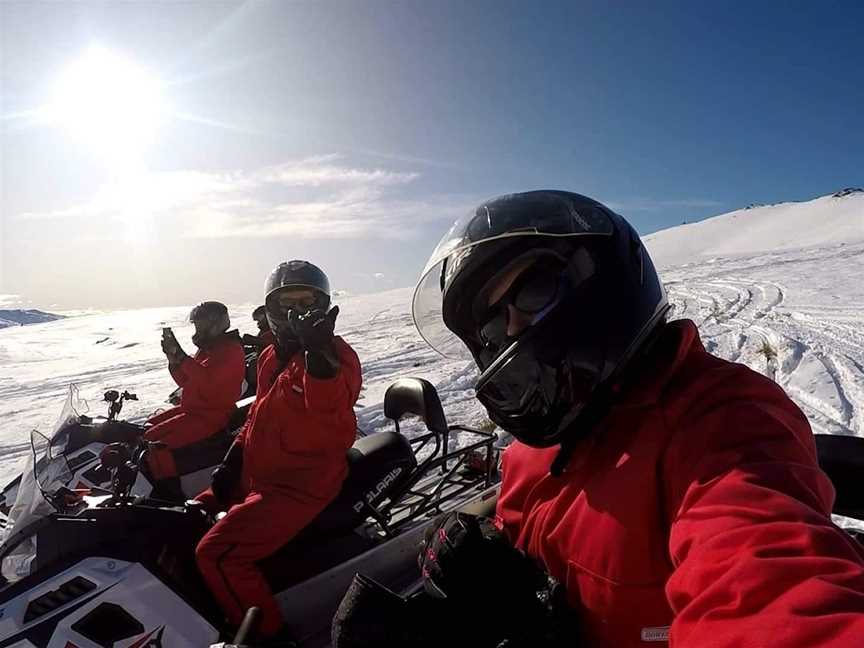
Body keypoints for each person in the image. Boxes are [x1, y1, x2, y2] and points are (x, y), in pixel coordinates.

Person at [405, 190, 864, 646]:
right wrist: (488, 562)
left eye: (533, 291)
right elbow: (522, 538)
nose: (512, 331)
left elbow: (768, 589)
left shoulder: (722, 418)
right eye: (490, 326)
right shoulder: (532, 449)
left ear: (606, 279)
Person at [194, 260, 362, 641]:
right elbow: (256, 416)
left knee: (216, 553)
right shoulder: (271, 356)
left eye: (307, 302)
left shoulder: (336, 357)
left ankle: (269, 637)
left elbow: (329, 408)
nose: (297, 312)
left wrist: (318, 357)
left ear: (323, 308)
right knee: (184, 518)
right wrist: (232, 459)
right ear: (271, 309)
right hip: (258, 473)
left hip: (300, 486)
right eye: (288, 303)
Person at [146, 301, 245, 500]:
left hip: (214, 415)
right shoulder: (208, 349)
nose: (197, 330)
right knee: (148, 430)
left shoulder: (231, 350)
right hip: (193, 409)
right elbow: (186, 381)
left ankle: (169, 494)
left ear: (216, 324)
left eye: (201, 325)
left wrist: (182, 358)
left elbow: (208, 381)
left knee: (159, 447)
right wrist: (174, 362)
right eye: (196, 325)